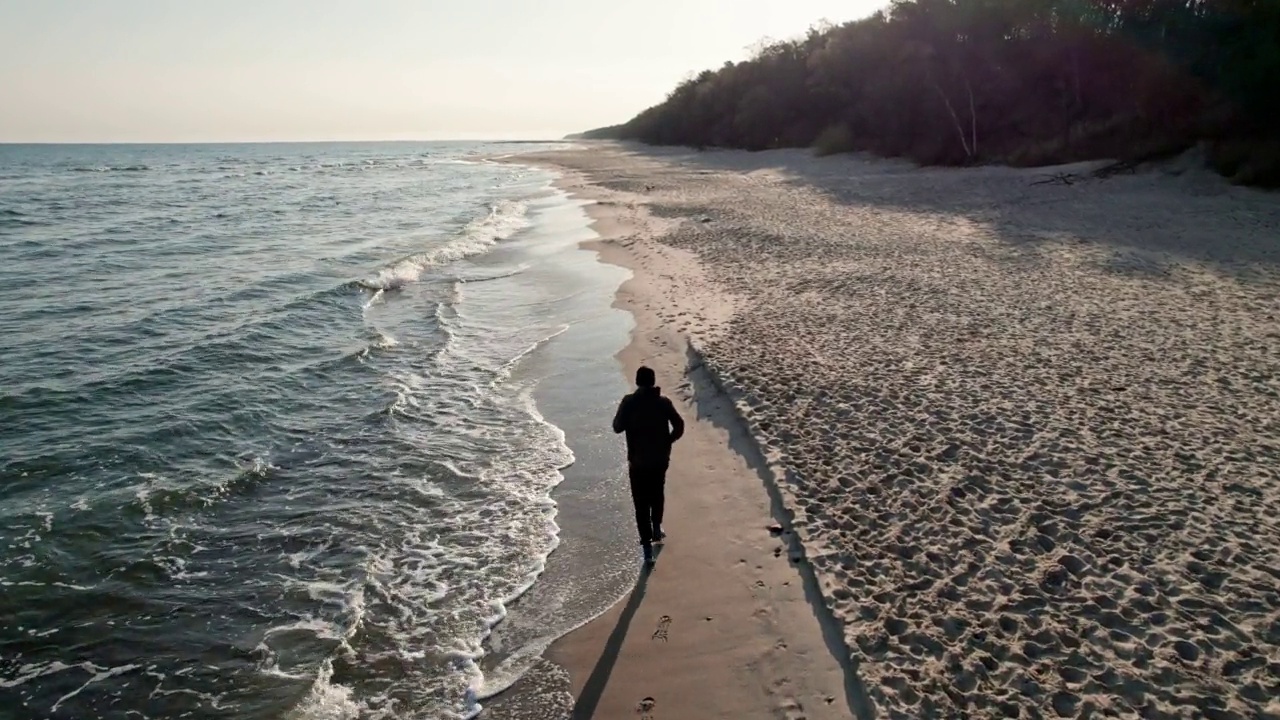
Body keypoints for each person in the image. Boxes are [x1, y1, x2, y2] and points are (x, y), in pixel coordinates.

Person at [612, 365, 684, 566]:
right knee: (657, 494)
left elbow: (617, 428)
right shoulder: (663, 403)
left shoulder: (629, 402)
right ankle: (656, 529)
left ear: (637, 382)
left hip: (638, 462)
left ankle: (647, 549)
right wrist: (668, 441)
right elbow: (679, 426)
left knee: (640, 503)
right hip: (660, 460)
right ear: (653, 382)